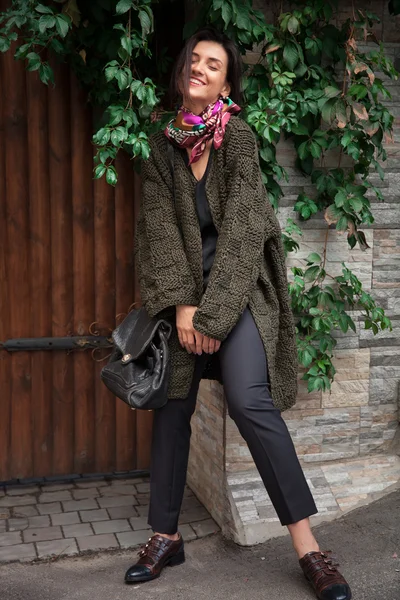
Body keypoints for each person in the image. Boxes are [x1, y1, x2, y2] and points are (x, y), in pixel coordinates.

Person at [127, 27, 352, 600]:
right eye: (195, 61)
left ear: (227, 82)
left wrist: (211, 317)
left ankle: (310, 548)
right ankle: (165, 536)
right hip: (183, 302)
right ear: (183, 73)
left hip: (239, 295)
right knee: (173, 405)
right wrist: (183, 306)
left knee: (252, 403)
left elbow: (247, 231)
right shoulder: (160, 146)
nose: (201, 69)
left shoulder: (240, 140)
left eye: (214, 65)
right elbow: (158, 234)